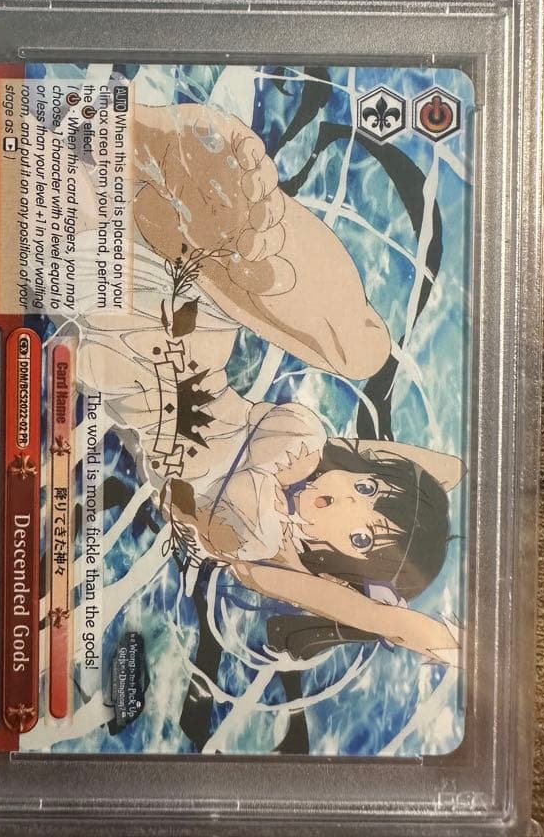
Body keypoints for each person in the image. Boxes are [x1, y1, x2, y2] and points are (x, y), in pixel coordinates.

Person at [70, 99, 464, 666]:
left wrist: (413, 625)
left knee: (83, 225)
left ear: (345, 577)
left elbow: (388, 621)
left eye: (359, 539)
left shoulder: (266, 550)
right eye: (367, 490)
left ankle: (202, 205)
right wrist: (428, 493)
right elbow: (448, 469)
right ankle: (237, 217)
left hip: (137, 363)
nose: (346, 502)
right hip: (201, 329)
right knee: (363, 348)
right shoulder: (315, 453)